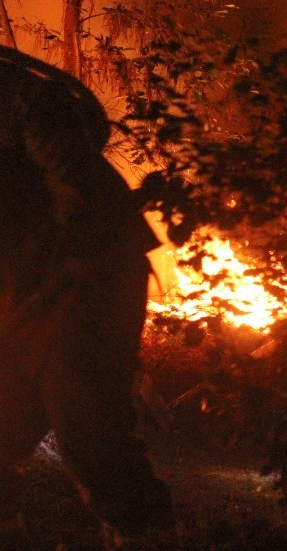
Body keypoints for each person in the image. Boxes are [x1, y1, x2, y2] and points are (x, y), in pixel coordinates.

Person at [0, 47, 175, 547]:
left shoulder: (19, 93)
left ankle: (145, 534)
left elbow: (52, 128)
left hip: (86, 274)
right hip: (27, 285)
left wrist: (80, 245)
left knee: (90, 428)